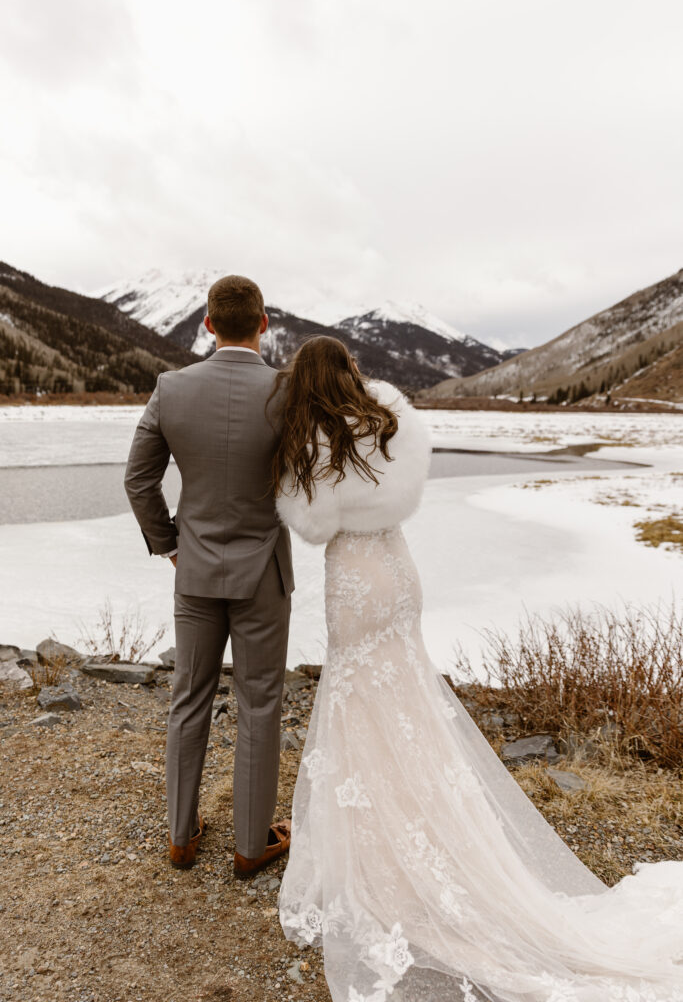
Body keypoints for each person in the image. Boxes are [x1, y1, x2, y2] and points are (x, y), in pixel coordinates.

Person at [273, 335, 683, 1002]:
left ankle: (383, 855)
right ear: (351, 372)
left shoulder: (310, 439)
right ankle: (424, 823)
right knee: (405, 700)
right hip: (399, 575)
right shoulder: (389, 423)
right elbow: (401, 498)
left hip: (353, 579)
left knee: (360, 707)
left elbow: (313, 527)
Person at [124, 274, 294, 875]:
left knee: (188, 699)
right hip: (265, 575)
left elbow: (138, 480)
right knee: (260, 703)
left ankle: (181, 838)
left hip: (193, 570)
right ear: (264, 322)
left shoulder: (171, 389)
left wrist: (170, 544)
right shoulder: (288, 392)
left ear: (207, 323)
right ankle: (252, 847)